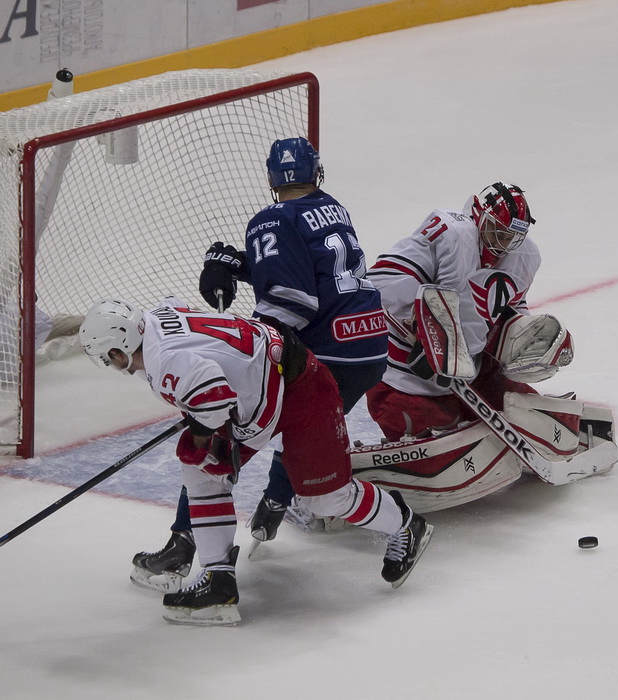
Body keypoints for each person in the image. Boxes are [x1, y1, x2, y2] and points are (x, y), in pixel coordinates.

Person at [130, 138, 388, 591]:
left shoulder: (270, 218)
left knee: (219, 444)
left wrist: (249, 345)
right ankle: (275, 500)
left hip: (324, 352)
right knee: (304, 431)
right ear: (317, 172)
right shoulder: (333, 208)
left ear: (271, 178)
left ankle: (184, 544)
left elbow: (295, 302)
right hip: (368, 344)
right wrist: (239, 264)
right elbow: (312, 271)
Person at [78, 297, 432, 626]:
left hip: (302, 390)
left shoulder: (167, 361)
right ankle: (219, 581)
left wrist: (201, 438)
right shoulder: (157, 319)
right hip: (265, 386)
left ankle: (406, 524)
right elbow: (186, 321)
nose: (109, 364)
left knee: (325, 498)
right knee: (203, 472)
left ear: (118, 349)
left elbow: (212, 400)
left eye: (107, 357)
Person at [366, 181, 572, 441]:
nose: (504, 241)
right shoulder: (456, 233)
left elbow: (511, 306)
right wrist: (425, 333)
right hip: (400, 361)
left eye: (511, 235)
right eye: (498, 230)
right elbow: (387, 288)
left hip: (468, 362)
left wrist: (522, 335)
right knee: (436, 431)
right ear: (477, 213)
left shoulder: (526, 255)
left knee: (524, 413)